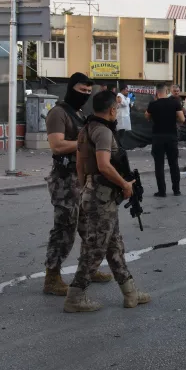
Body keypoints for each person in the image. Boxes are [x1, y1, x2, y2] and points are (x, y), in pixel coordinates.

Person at [64, 90, 151, 313]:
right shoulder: (102, 132)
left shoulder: (86, 129)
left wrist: (86, 186)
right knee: (95, 249)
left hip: (95, 193)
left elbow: (80, 165)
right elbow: (103, 164)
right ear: (113, 109)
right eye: (116, 110)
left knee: (115, 247)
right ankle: (75, 296)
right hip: (101, 196)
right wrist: (124, 184)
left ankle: (130, 294)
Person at [42, 72, 112, 295]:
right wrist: (85, 142)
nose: (85, 95)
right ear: (72, 88)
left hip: (80, 177)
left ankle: (89, 268)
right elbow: (57, 146)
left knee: (87, 226)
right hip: (64, 179)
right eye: (82, 91)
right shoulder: (58, 113)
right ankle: (52, 277)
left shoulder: (79, 113)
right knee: (64, 228)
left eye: (88, 92)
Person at [145, 83, 185, 197]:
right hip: (171, 136)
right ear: (167, 91)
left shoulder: (153, 104)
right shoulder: (175, 103)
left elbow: (147, 116)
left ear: (157, 92)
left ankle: (162, 191)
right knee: (174, 163)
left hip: (158, 137)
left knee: (159, 165)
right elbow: (182, 119)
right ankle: (176, 190)